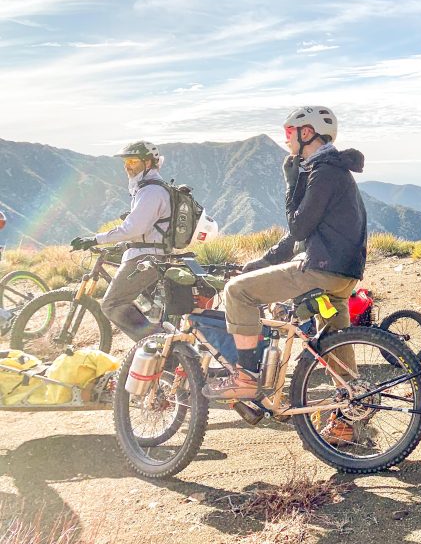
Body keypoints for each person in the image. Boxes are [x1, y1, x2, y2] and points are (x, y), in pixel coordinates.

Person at [203, 106, 368, 400]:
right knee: (333, 343)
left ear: (307, 133)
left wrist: (291, 185)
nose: (286, 140)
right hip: (344, 274)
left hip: (322, 268)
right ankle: (351, 410)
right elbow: (301, 232)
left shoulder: (324, 172)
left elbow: (299, 226)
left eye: (289, 133)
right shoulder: (333, 169)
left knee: (237, 292)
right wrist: (267, 260)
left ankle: (246, 377)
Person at [70, 141, 171, 342]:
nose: (127, 166)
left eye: (133, 161)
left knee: (112, 304)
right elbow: (144, 230)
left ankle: (159, 350)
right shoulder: (145, 188)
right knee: (151, 309)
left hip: (146, 257)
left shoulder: (152, 191)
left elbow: (132, 229)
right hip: (148, 252)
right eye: (126, 162)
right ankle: (160, 343)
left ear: (149, 162)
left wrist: (95, 239)